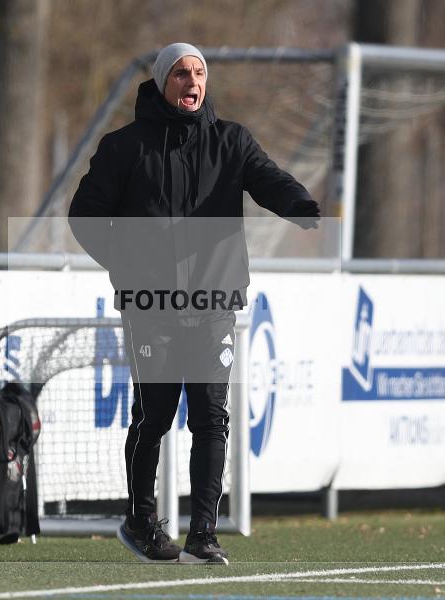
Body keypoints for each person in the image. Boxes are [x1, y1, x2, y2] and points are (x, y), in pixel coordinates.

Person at [68, 43, 319, 565]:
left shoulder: (231, 141)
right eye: (181, 73)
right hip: (150, 305)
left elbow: (268, 179)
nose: (192, 81)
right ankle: (140, 521)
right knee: (154, 416)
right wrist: (129, 266)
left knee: (211, 417)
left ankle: (203, 534)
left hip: (213, 302)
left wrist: (299, 205)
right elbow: (84, 215)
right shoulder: (125, 147)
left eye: (200, 72)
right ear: (163, 83)